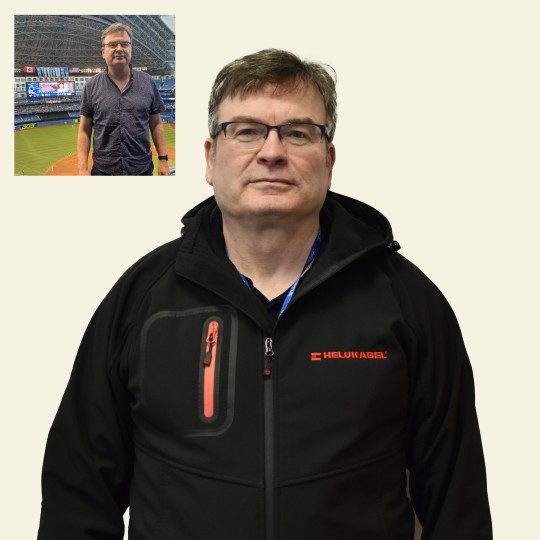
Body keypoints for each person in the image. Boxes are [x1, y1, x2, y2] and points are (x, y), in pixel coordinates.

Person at [38, 49, 492, 539]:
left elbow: (456, 502)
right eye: (247, 130)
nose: (272, 152)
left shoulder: (407, 302)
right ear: (210, 158)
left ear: (329, 160)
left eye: (298, 132)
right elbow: (77, 495)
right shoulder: (140, 301)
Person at [77, 23, 170, 176]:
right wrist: (82, 168)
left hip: (142, 169)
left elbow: (156, 123)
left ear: (130, 49)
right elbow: (84, 130)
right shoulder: (91, 85)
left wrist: (163, 159)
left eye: (124, 44)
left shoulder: (147, 82)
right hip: (103, 171)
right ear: (103, 52)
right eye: (112, 44)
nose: (119, 48)